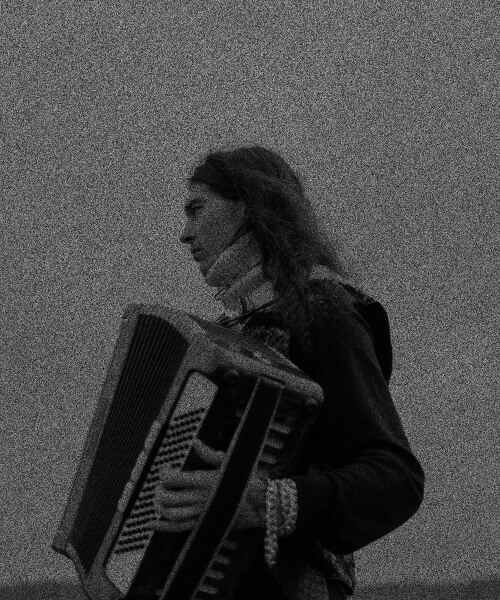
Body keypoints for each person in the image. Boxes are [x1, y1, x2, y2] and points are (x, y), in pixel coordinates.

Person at [154, 145, 425, 599]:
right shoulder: (229, 333)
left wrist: (264, 501)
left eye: (196, 210)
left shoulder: (324, 311)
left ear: (249, 206)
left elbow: (396, 478)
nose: (185, 234)